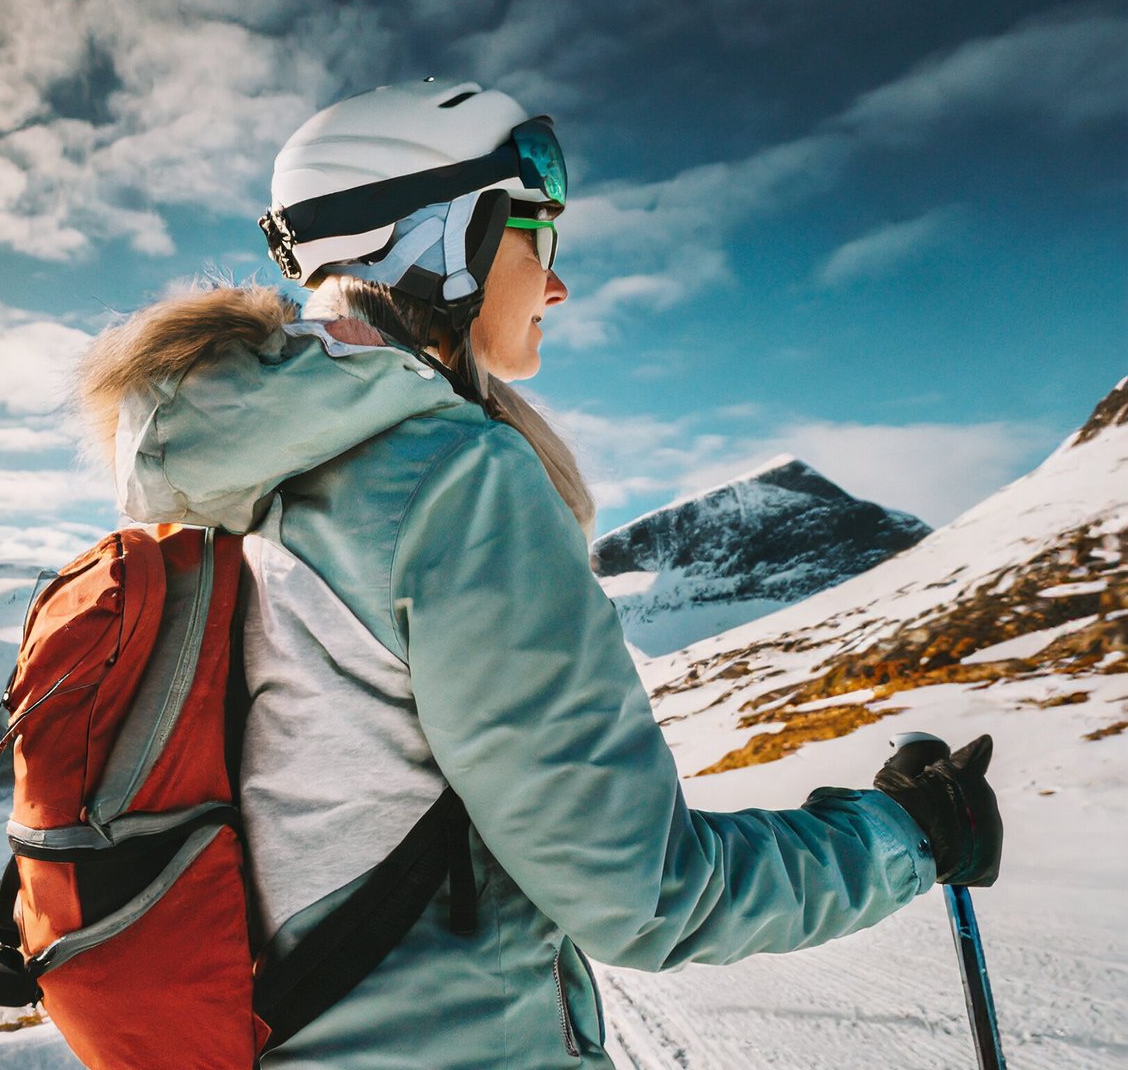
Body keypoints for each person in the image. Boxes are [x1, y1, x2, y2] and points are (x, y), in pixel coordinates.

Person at [78, 79, 1001, 1068]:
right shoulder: (453, 481)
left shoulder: (245, 489)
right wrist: (907, 835)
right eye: (535, 236)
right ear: (437, 239)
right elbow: (646, 897)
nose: (555, 284)